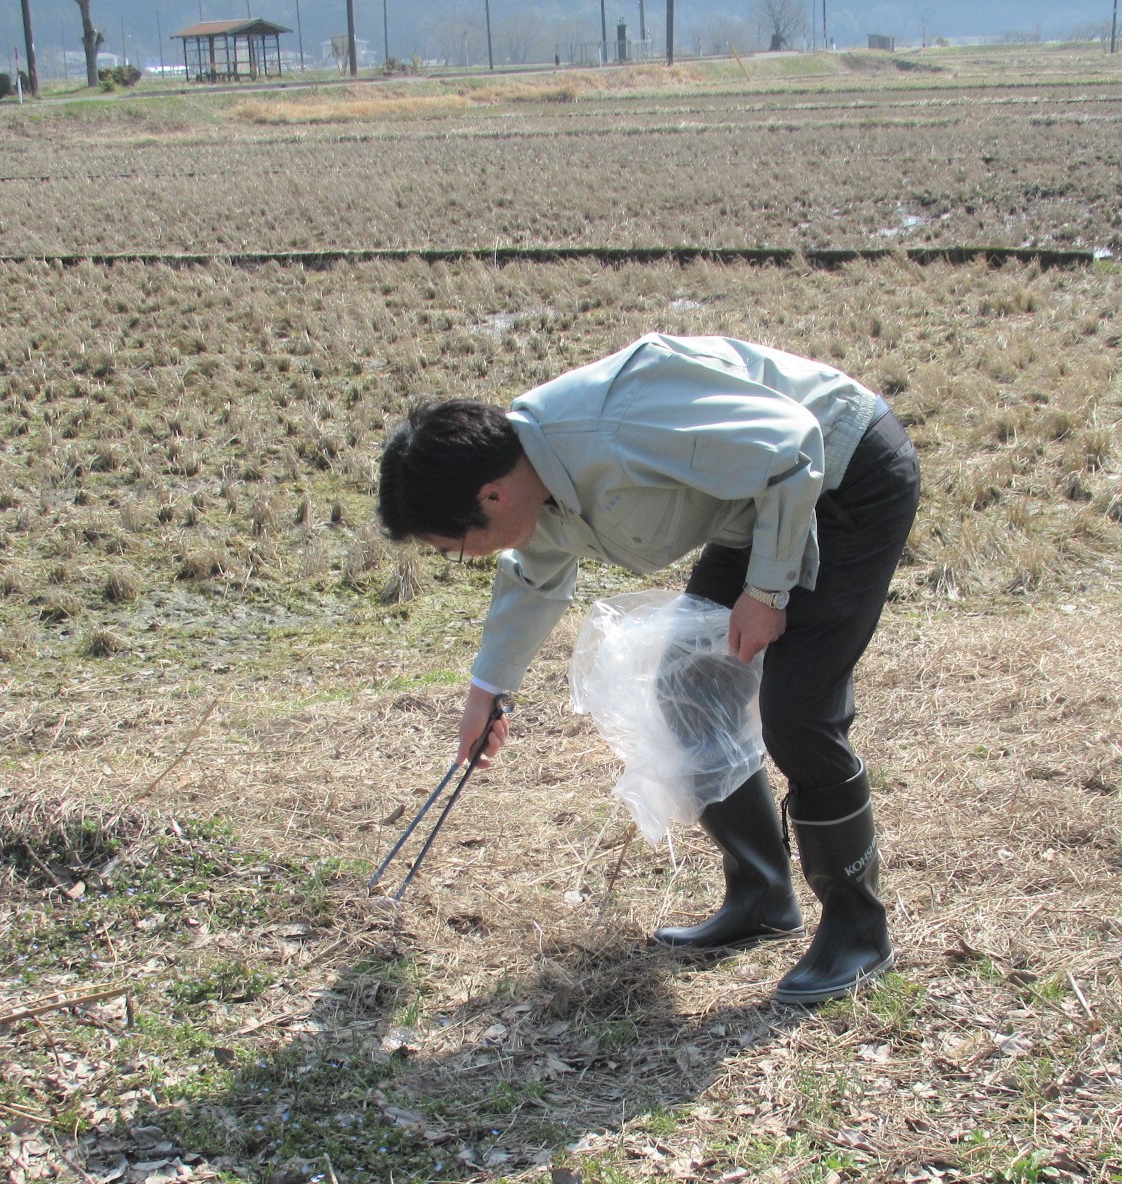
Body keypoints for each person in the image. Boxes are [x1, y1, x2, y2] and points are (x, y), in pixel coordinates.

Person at [377, 333, 920, 1005]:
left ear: (490, 497)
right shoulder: (531, 479)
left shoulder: (617, 424)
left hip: (842, 472)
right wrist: (488, 690)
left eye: (456, 546)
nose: (468, 557)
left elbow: (792, 446)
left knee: (798, 709)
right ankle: (761, 896)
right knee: (687, 688)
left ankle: (858, 929)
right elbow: (533, 574)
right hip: (754, 506)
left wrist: (766, 592)